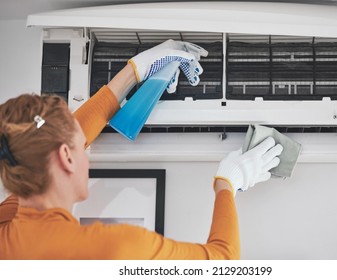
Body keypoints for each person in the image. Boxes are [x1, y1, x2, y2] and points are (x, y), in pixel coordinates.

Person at [0, 40, 283, 259]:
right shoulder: (115, 249)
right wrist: (228, 183)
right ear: (65, 157)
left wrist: (134, 71)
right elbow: (222, 261)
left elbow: (41, 147)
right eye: (81, 147)